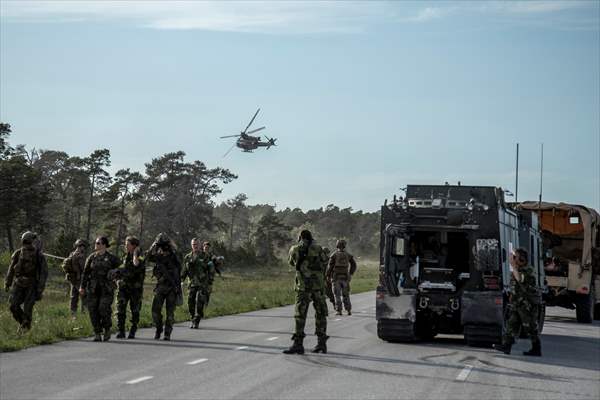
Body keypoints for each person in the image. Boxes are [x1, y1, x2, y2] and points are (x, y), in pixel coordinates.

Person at [283, 229, 329, 355]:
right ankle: (321, 343)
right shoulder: (319, 249)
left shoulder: (295, 249)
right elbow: (325, 262)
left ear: (300, 237)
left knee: (300, 315)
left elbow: (291, 262)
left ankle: (298, 344)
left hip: (303, 287)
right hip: (318, 287)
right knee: (320, 314)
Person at [494, 247, 542, 356]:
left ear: (521, 259)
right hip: (518, 303)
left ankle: (536, 348)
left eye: (515, 257)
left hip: (527, 305)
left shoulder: (528, 270)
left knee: (530, 327)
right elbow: (515, 285)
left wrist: (514, 266)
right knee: (512, 324)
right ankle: (506, 346)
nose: (513, 259)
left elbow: (520, 279)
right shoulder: (518, 269)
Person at [4, 231, 48, 333]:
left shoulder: (38, 255)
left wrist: (40, 288)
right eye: (25, 242)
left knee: (28, 308)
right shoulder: (18, 253)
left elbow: (43, 273)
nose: (27, 244)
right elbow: (11, 269)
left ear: (32, 241)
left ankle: (25, 329)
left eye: (29, 242)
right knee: (13, 306)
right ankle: (23, 322)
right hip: (18, 283)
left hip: (32, 284)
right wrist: (7, 283)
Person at [79, 236, 121, 342]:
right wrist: (82, 287)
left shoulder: (112, 258)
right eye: (96, 243)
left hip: (106, 289)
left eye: (98, 243)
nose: (96, 244)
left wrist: (115, 272)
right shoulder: (91, 257)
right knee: (93, 310)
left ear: (104, 245)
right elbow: (85, 273)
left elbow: (122, 268)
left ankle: (107, 329)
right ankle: (97, 333)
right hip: (93, 288)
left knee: (103, 309)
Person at [146, 232, 181, 341]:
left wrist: (170, 244)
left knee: (170, 313)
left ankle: (167, 333)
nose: (163, 250)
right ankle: (159, 328)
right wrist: (154, 244)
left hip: (172, 287)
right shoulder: (158, 257)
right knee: (155, 311)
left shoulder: (174, 256)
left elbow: (180, 261)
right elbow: (147, 257)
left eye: (165, 247)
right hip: (160, 287)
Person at [112, 236, 145, 339]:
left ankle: (132, 330)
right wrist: (117, 280)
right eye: (125, 244)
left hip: (135, 290)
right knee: (120, 310)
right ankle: (121, 331)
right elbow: (118, 271)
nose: (125, 246)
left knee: (134, 311)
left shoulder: (140, 258)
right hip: (123, 289)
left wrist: (135, 254)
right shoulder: (124, 257)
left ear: (134, 246)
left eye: (128, 244)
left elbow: (136, 265)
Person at [181, 239, 216, 329]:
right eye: (193, 244)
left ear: (199, 245)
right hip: (191, 284)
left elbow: (211, 268)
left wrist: (210, 281)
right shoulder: (188, 257)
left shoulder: (205, 256)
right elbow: (185, 270)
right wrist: (181, 280)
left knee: (199, 302)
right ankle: (193, 318)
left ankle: (197, 320)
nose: (195, 246)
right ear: (191, 245)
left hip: (202, 284)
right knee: (190, 302)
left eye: (196, 244)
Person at [326, 239, 357, 316]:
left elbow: (330, 267)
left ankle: (339, 311)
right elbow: (354, 265)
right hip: (345, 277)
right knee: (346, 295)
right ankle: (348, 310)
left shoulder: (334, 255)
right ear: (344, 246)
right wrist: (350, 273)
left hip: (336, 278)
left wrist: (328, 276)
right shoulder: (348, 255)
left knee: (337, 295)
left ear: (337, 245)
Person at [61, 239, 88, 316]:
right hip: (77, 279)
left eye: (83, 246)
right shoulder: (77, 255)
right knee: (81, 297)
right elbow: (82, 268)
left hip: (76, 279)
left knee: (76, 297)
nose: (82, 248)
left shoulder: (74, 254)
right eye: (81, 246)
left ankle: (77, 315)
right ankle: (80, 314)